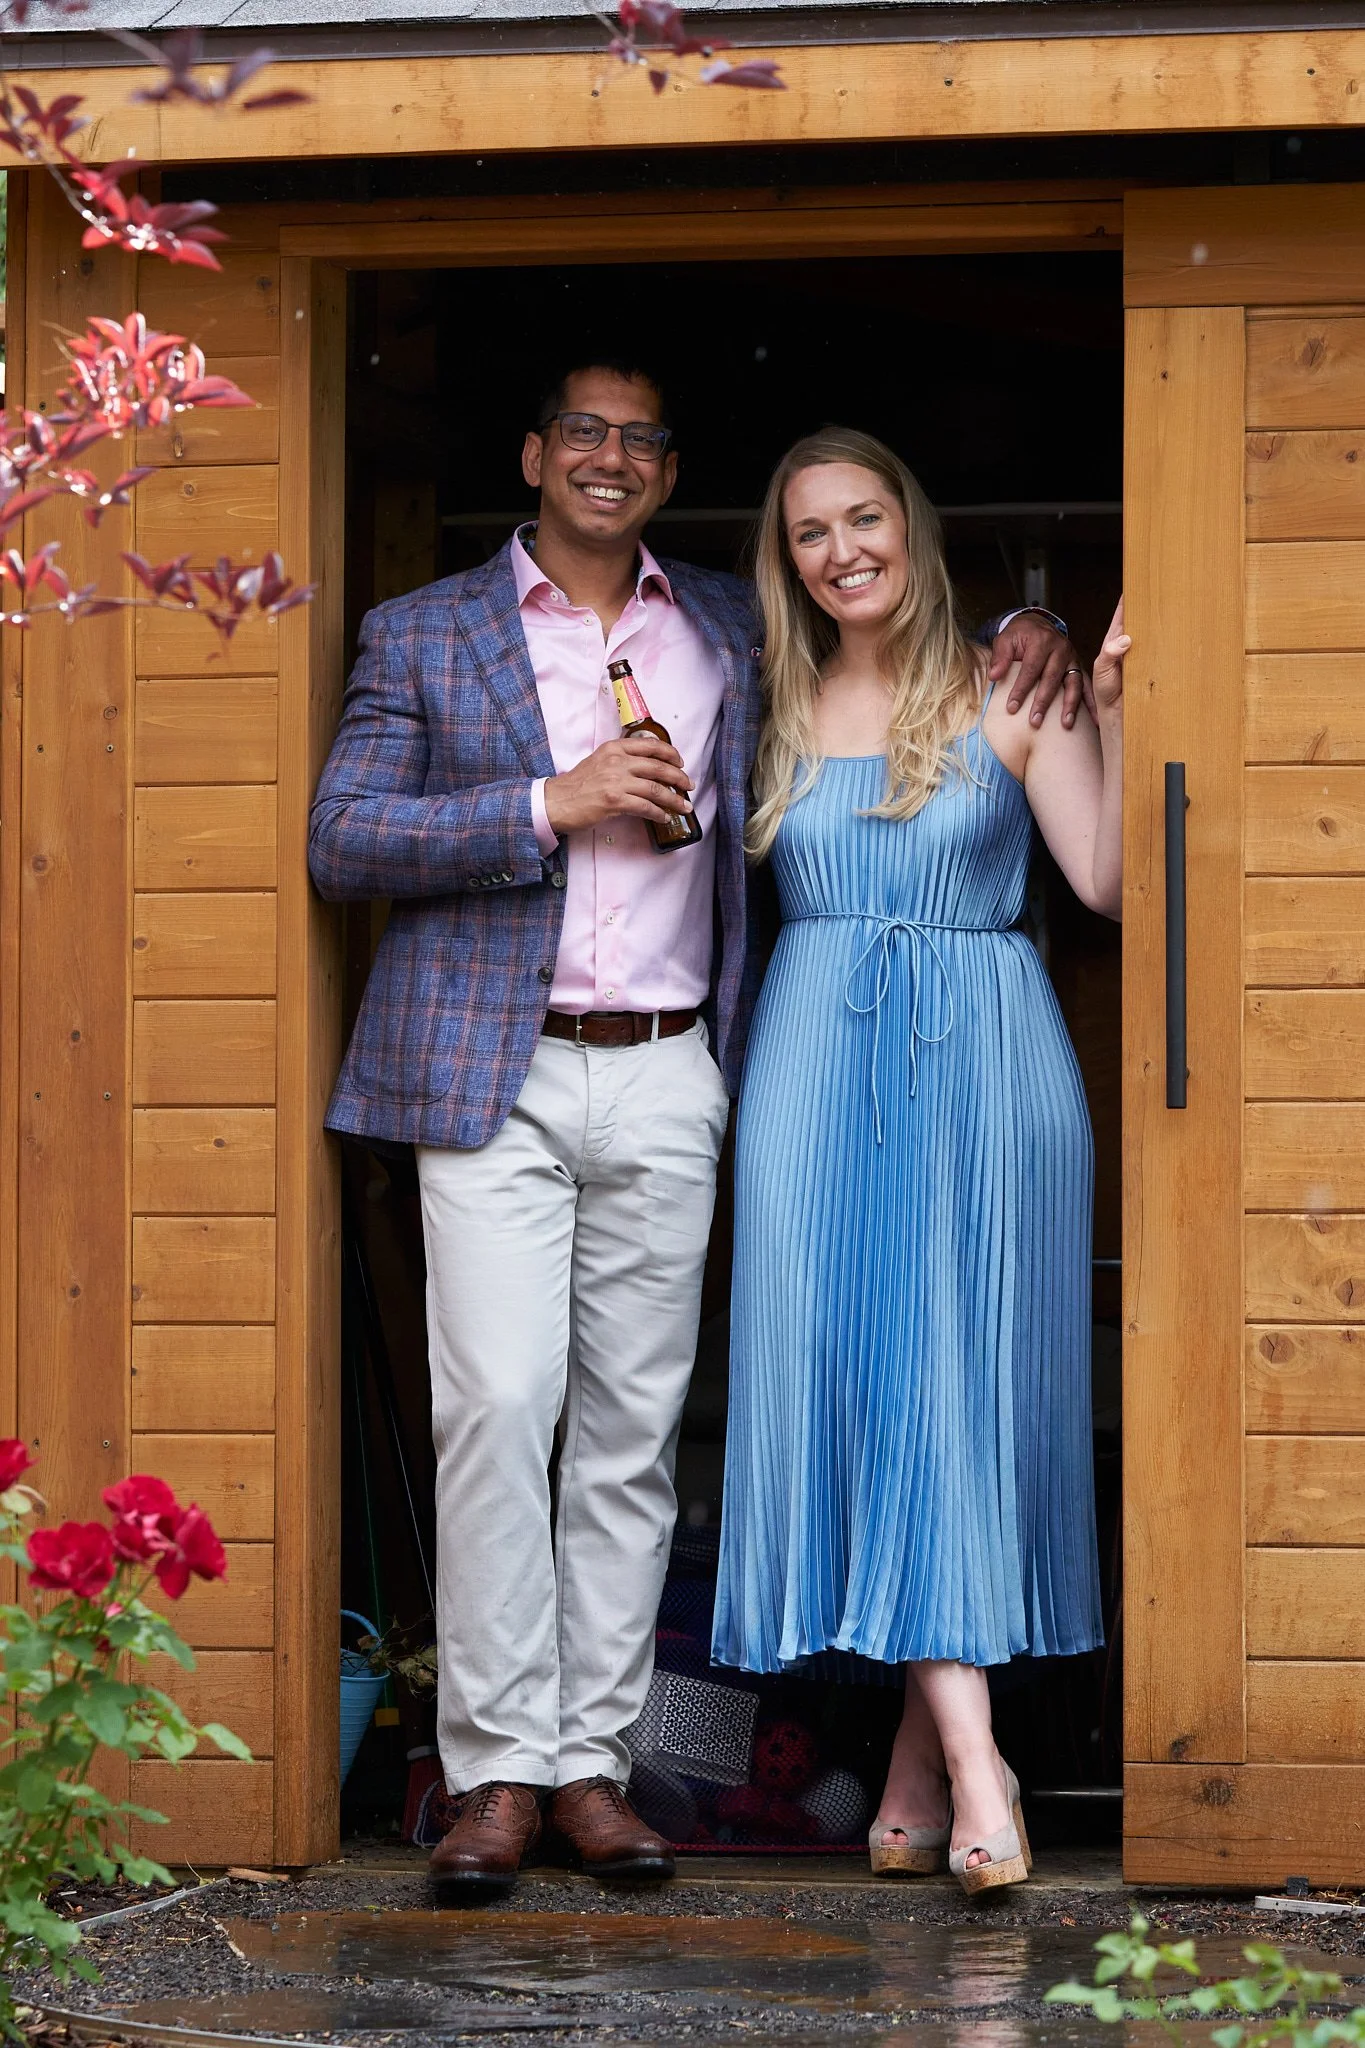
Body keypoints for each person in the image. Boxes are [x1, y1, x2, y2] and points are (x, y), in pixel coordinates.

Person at [309, 365, 1086, 1892]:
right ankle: (493, 1774)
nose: (609, 458)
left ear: (668, 474)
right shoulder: (421, 632)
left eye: (640, 439)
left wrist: (1027, 624)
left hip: (680, 1067)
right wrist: (550, 799)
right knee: (498, 1408)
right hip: (496, 1070)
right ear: (532, 455)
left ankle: (595, 1768)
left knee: (630, 1436)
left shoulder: (733, 631)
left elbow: (899, 629)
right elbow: (345, 833)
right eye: (581, 433)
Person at [710, 426, 1126, 1895]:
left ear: (917, 528)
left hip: (985, 1066)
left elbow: (1109, 877)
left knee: (950, 1397)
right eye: (811, 531)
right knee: (875, 1394)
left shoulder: (1016, 680)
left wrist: (1117, 696)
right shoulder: (763, 696)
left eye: (866, 518)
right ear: (788, 560)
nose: (843, 550)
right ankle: (951, 1763)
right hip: (815, 1072)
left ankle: (955, 1767)